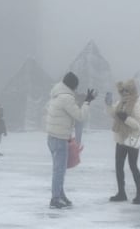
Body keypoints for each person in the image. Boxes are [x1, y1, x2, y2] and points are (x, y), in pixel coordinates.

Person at [45, 71, 96, 209]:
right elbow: (80, 116)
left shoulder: (56, 94)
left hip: (52, 137)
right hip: (60, 138)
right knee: (59, 170)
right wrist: (87, 102)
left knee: (58, 169)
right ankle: (55, 198)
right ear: (73, 85)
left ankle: (60, 195)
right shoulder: (66, 98)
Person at [107, 79, 140, 204]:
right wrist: (108, 105)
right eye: (122, 91)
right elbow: (114, 114)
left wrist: (127, 119)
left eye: (126, 91)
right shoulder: (120, 103)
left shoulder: (136, 104)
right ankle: (121, 193)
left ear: (131, 91)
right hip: (121, 138)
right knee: (118, 166)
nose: (124, 93)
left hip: (132, 139)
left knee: (133, 166)